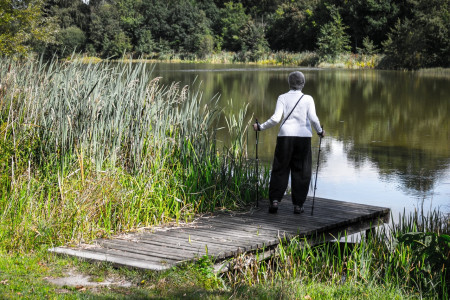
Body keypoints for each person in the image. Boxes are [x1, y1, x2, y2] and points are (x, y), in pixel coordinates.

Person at [253, 71, 324, 214]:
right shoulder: (308, 99)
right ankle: (298, 205)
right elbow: (314, 119)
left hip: (285, 136)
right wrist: (320, 131)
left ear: (289, 83)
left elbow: (275, 119)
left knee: (280, 168)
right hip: (303, 137)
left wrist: (260, 127)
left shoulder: (282, 97)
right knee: (302, 170)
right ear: (303, 83)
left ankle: (274, 201)